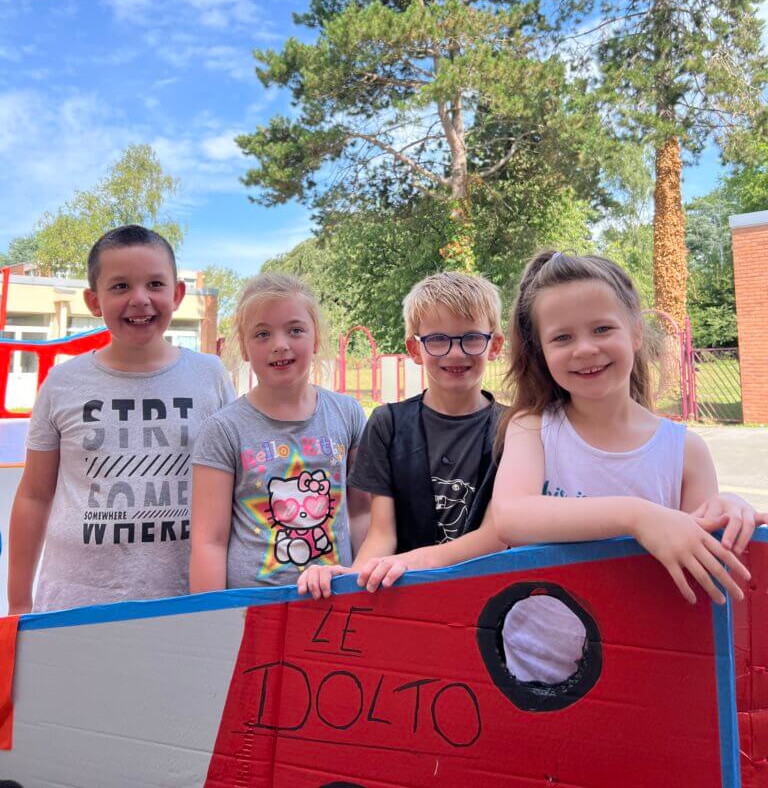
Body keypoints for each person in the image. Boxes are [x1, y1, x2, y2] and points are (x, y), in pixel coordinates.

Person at [491, 250, 764, 683]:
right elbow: (510, 517)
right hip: (526, 677)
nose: (585, 348)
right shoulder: (532, 428)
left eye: (602, 329)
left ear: (636, 332)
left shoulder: (686, 451)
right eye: (562, 337)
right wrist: (638, 516)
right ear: (541, 351)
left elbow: (701, 565)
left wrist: (726, 509)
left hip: (643, 680)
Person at [7, 225, 235, 614]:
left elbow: (236, 486)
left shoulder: (209, 375)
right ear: (94, 301)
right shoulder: (62, 383)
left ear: (177, 294)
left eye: (155, 284)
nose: (140, 299)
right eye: (120, 286)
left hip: (186, 600)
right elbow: (34, 495)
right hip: (75, 601)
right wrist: (17, 605)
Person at [299, 270, 508, 600]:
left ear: (494, 345)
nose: (455, 353)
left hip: (489, 600)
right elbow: (382, 535)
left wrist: (413, 561)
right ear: (414, 349)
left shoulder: (515, 428)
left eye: (470, 338)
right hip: (407, 600)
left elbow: (496, 536)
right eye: (437, 339)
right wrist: (353, 578)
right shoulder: (387, 424)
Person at [189, 273, 368, 592]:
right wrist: (211, 617)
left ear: (315, 338)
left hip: (336, 602)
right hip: (251, 609)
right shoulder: (223, 429)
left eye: (295, 330)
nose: (280, 345)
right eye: (262, 334)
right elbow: (209, 542)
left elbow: (362, 514)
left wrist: (364, 590)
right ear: (244, 348)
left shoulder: (348, 414)